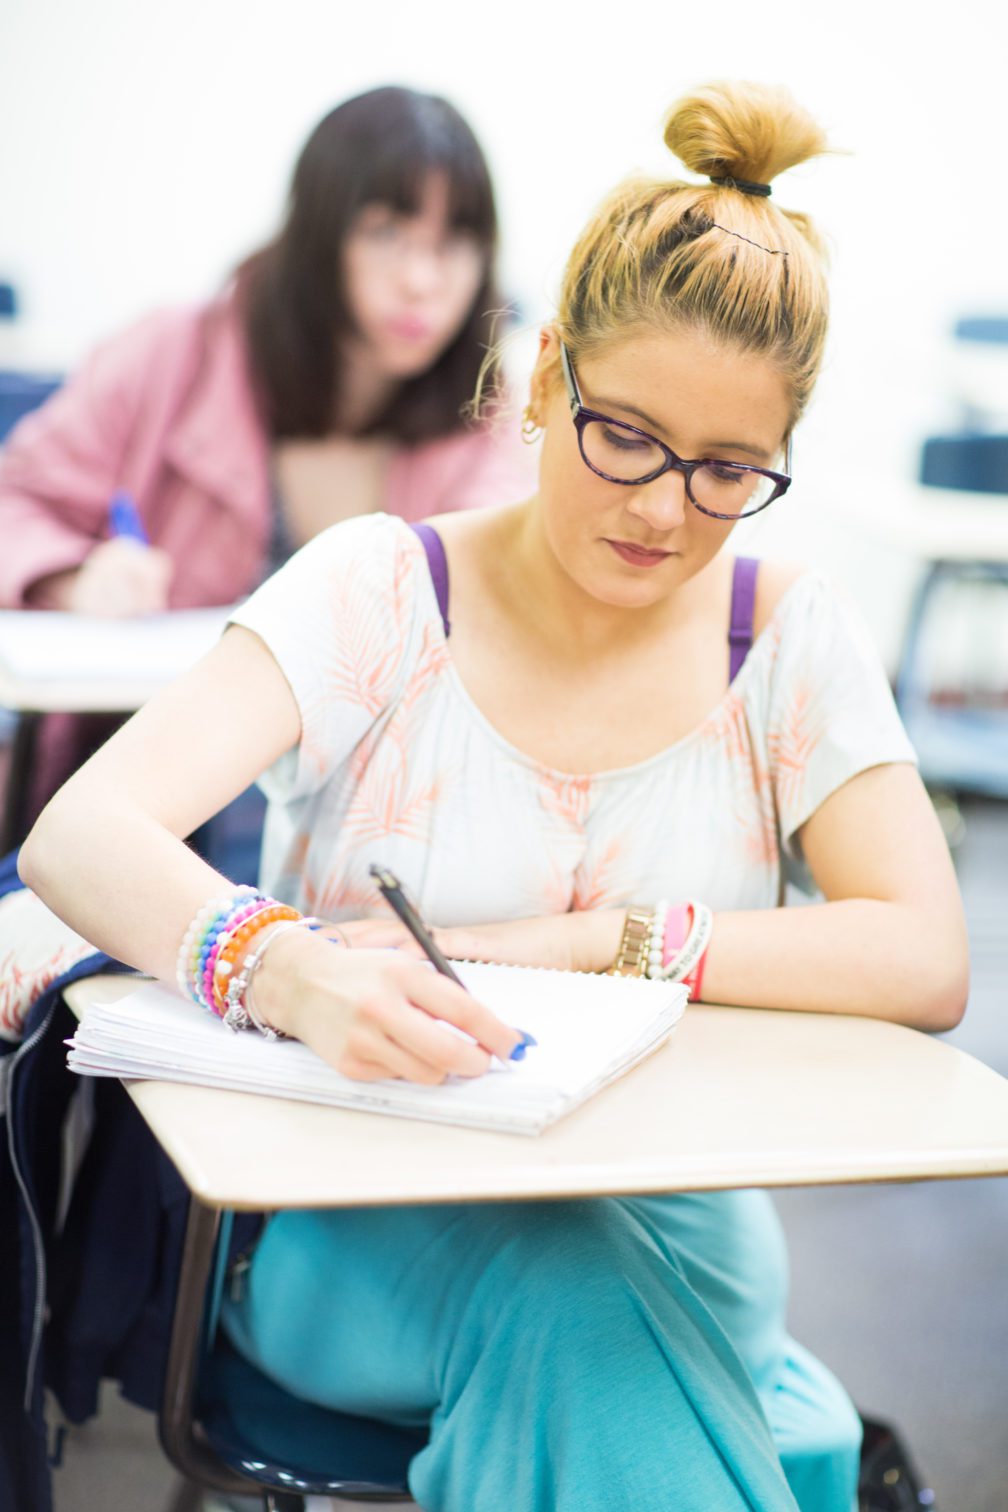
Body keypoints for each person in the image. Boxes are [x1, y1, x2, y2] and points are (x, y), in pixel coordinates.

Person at [19, 80, 968, 1512]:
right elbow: (83, 832)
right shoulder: (380, 591)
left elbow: (924, 956)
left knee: (621, 1330)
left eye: (726, 471)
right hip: (362, 1227)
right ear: (541, 384)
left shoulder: (784, 634)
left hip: (684, 1229)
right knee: (603, 1333)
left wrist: (605, 940)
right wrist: (289, 973)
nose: (661, 509)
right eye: (624, 436)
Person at [0, 84, 531, 822]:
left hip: (368, 811)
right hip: (150, 793)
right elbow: (13, 504)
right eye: (387, 233)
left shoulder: (489, 406)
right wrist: (72, 576)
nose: (422, 280)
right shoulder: (171, 354)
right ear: (318, 235)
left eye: (453, 244)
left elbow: (510, 591)